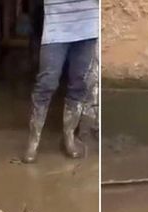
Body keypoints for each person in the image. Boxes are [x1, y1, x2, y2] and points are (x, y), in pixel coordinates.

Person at [22, 0, 99, 163]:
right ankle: (33, 141)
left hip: (88, 25)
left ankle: (69, 137)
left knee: (79, 82)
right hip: (56, 26)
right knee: (46, 82)